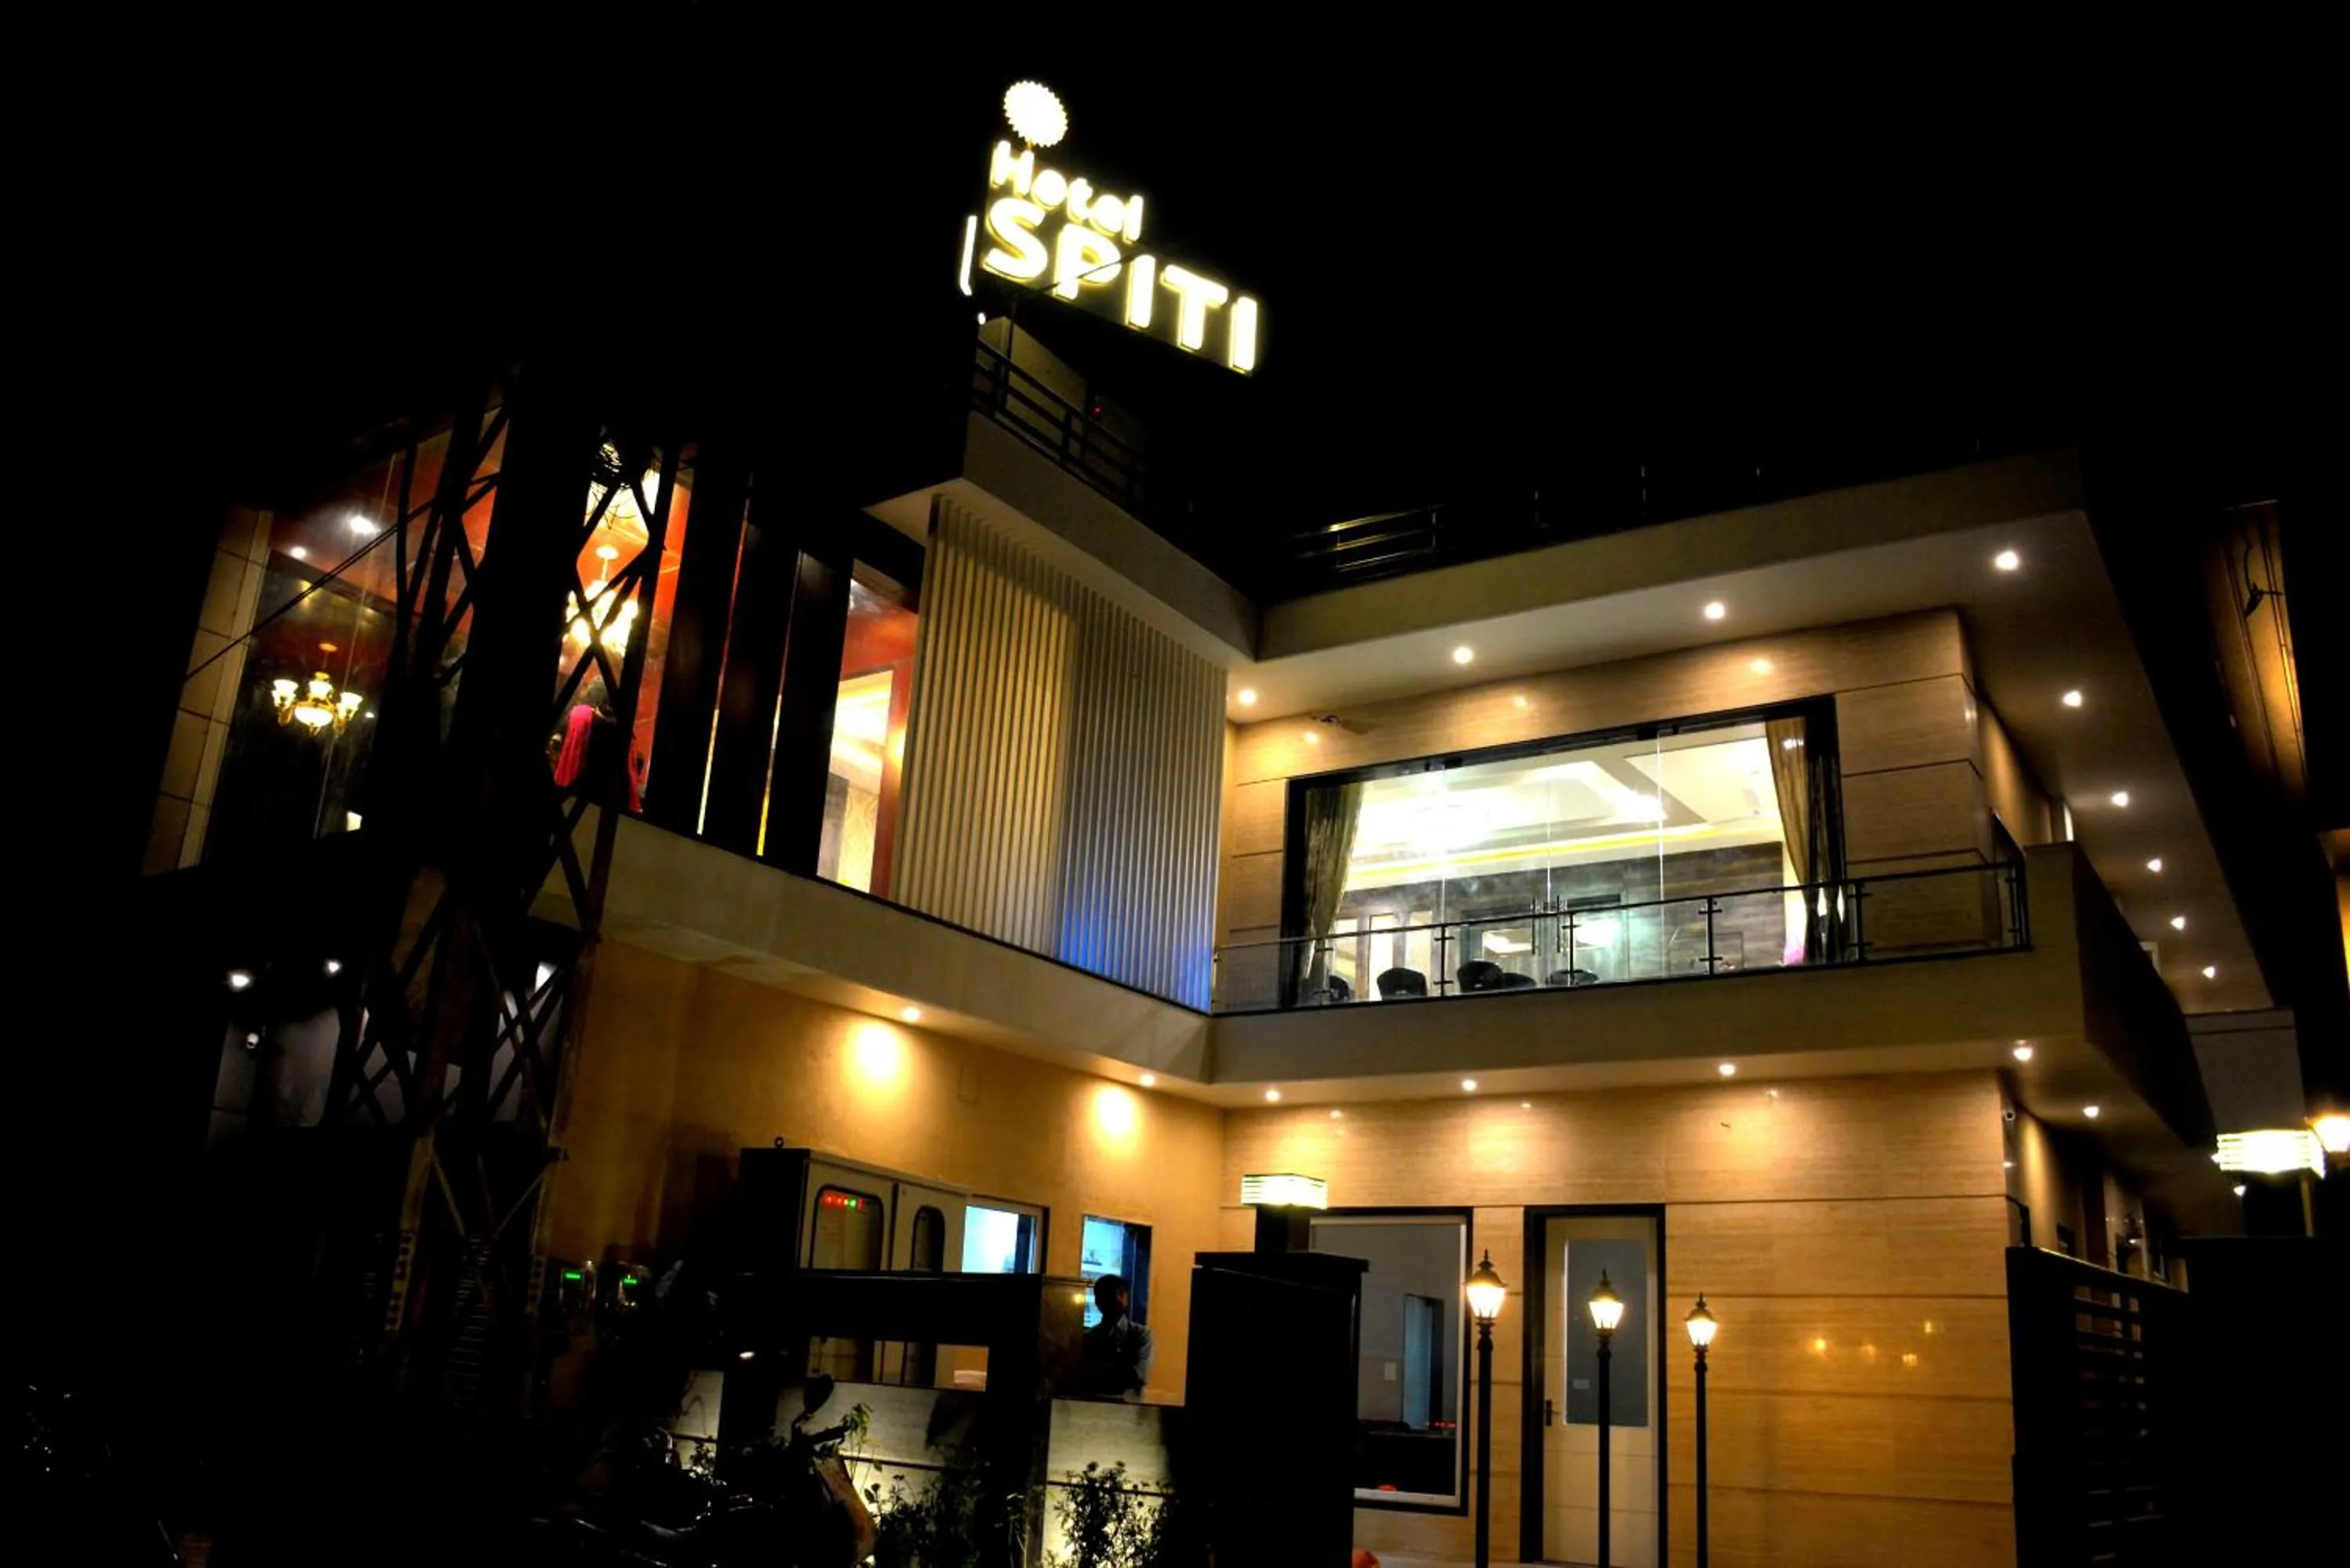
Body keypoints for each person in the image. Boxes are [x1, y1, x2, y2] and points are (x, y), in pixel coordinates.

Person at [1079, 1274, 1154, 1400]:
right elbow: (1086, 1375)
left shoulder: (1141, 1334)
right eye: (1109, 1294)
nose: (1116, 1298)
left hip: (1130, 1407)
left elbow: (1139, 1375)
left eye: (1120, 1293)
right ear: (1098, 1301)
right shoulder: (1089, 1337)